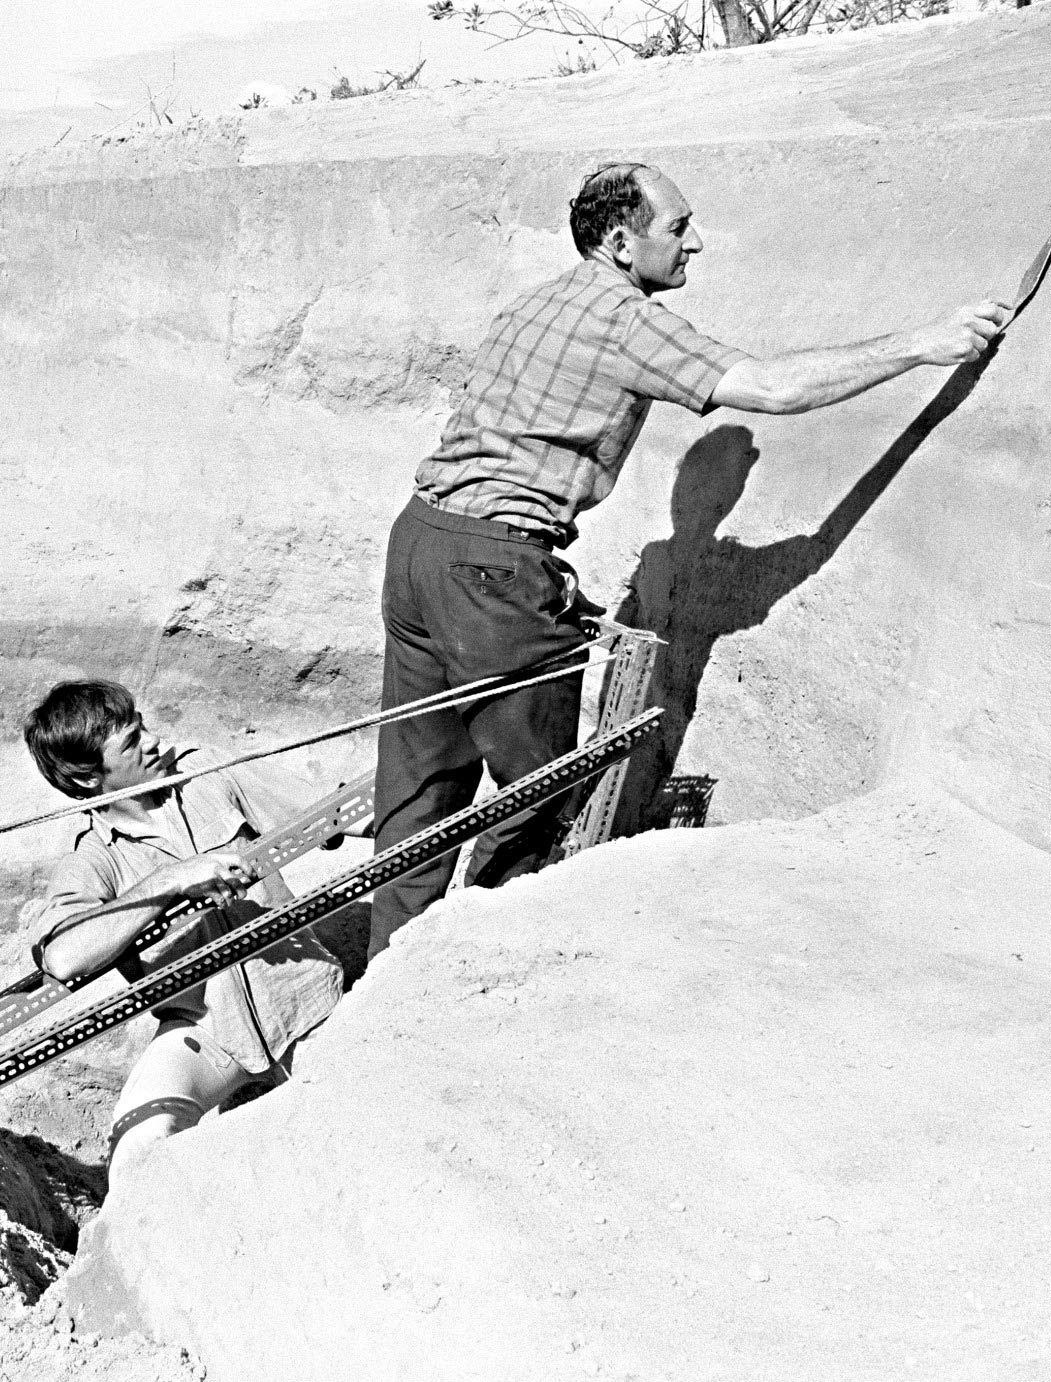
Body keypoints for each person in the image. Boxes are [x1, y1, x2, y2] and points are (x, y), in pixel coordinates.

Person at [368, 162, 1012, 958]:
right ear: (618, 241)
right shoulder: (623, 318)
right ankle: (480, 977)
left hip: (420, 545)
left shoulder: (536, 302)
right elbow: (772, 389)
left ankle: (384, 996)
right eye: (677, 227)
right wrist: (922, 345)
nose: (695, 243)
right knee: (541, 797)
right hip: (491, 571)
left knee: (417, 803)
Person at [23, 680, 343, 1177]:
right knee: (138, 1146)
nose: (153, 742)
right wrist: (169, 882)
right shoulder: (93, 859)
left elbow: (338, 813)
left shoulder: (207, 775)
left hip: (307, 1001)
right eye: (131, 743)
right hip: (206, 1032)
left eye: (142, 728)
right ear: (89, 779)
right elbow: (63, 957)